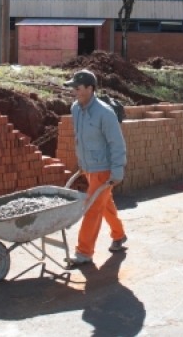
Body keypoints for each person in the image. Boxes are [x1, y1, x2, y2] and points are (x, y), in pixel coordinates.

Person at [64, 69, 127, 265]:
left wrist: (117, 170)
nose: (74, 91)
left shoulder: (104, 114)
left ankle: (84, 252)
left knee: (91, 208)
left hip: (104, 169)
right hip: (89, 167)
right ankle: (119, 235)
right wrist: (82, 164)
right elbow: (79, 139)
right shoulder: (75, 109)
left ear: (90, 89)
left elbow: (117, 143)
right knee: (104, 203)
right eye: (73, 88)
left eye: (78, 88)